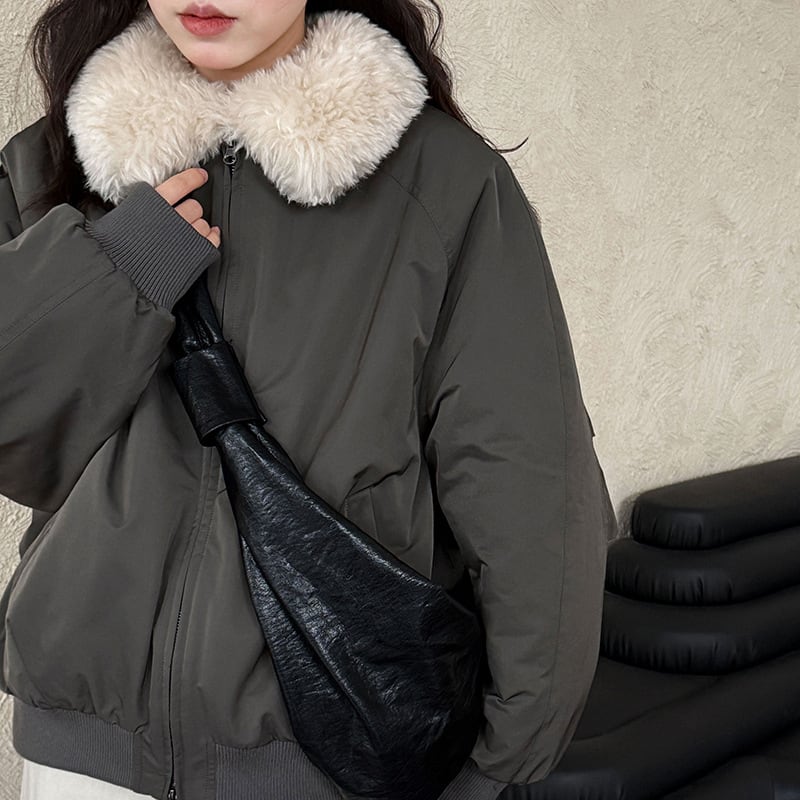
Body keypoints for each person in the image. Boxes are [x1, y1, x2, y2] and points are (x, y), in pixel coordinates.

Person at [0, 1, 616, 798]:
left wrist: (498, 765)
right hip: (80, 767)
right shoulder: (54, 162)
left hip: (333, 755)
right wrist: (115, 270)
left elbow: (531, 490)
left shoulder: (442, 186)